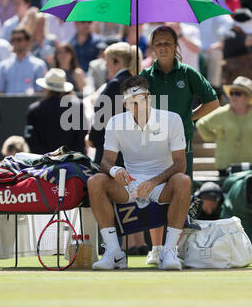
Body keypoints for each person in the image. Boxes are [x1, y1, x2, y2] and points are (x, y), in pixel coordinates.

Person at [87, 75, 191, 270]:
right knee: (95, 181)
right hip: (129, 186)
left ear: (149, 98)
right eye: (132, 102)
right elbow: (106, 162)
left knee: (183, 180)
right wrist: (115, 170)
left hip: (162, 185)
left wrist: (152, 182)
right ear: (125, 104)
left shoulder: (172, 119)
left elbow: (180, 165)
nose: (139, 105)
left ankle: (169, 251)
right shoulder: (116, 122)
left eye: (142, 99)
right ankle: (114, 252)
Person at [140, 25, 219, 264]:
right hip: (152, 144)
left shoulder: (187, 73)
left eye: (167, 43)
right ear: (153, 48)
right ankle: (155, 249)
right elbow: (134, 108)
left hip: (181, 146)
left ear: (176, 46)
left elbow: (212, 102)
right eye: (158, 43)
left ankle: (173, 249)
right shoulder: (144, 76)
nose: (162, 47)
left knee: (181, 195)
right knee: (152, 195)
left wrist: (188, 118)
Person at [196, 76, 252, 175]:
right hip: (226, 168)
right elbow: (201, 125)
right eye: (231, 93)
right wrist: (214, 137)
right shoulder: (222, 113)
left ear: (247, 97)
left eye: (237, 93)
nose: (233, 97)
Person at [88, 42, 136, 165]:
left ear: (117, 61)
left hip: (111, 150)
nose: (105, 64)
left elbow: (102, 116)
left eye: (107, 60)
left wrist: (92, 138)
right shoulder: (136, 83)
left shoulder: (115, 84)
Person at [24, 68, 88, 154]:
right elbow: (81, 137)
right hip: (71, 162)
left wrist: (46, 158)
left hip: (43, 164)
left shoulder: (35, 109)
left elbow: (30, 138)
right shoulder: (77, 106)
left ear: (46, 88)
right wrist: (70, 157)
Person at [209, 8, 252, 95]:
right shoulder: (231, 36)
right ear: (237, 25)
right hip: (236, 87)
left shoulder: (238, 35)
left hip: (247, 83)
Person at [0, 27, 46, 94]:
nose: (15, 42)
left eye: (19, 39)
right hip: (8, 103)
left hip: (30, 103)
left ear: (28, 41)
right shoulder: (3, 66)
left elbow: (40, 91)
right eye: (13, 40)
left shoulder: (39, 65)